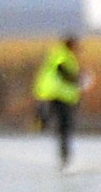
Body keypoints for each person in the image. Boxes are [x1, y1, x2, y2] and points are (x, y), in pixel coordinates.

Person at [34, 35, 85, 168]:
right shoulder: (61, 54)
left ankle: (65, 159)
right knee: (60, 125)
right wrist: (77, 79)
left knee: (65, 128)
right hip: (54, 94)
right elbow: (62, 71)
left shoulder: (69, 57)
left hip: (65, 97)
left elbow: (70, 77)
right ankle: (40, 123)